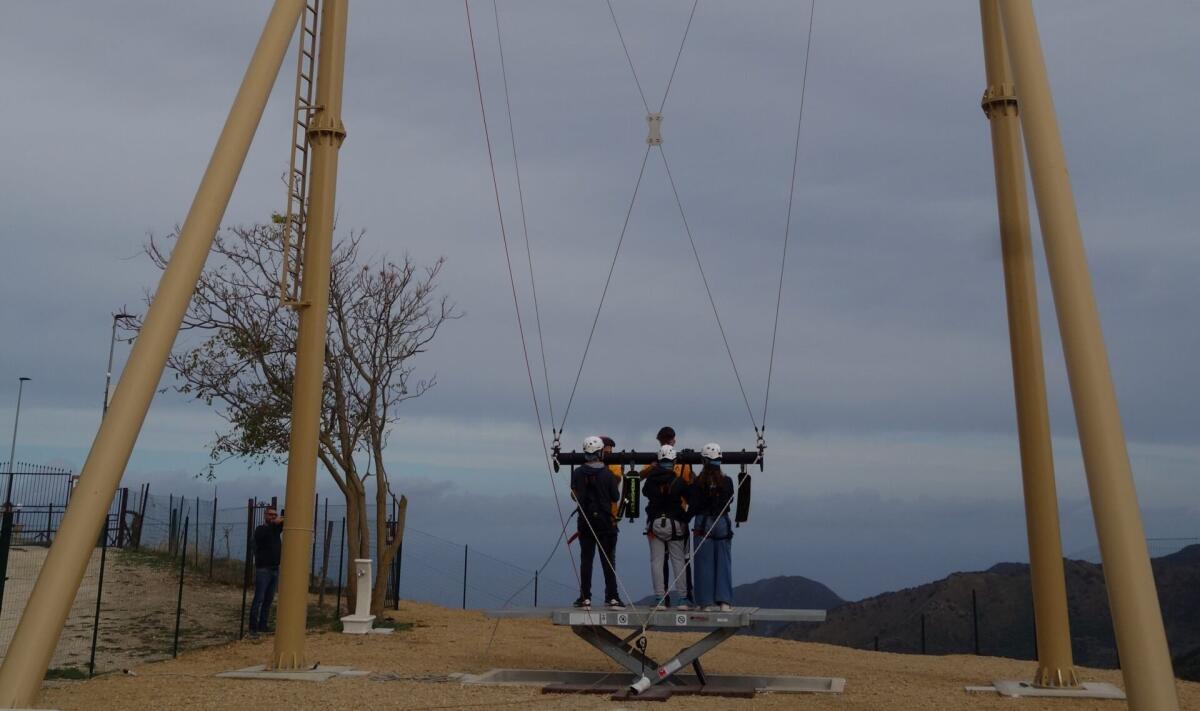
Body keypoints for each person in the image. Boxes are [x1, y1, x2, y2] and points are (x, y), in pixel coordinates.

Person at [641, 426, 694, 602]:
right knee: (678, 561)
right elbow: (692, 497)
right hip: (677, 523)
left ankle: (659, 597)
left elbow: (645, 492)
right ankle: (683, 597)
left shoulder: (650, 481)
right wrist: (686, 517)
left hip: (655, 524)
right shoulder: (678, 481)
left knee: (657, 562)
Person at [572, 435, 623, 609]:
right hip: (606, 523)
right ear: (601, 452)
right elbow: (615, 496)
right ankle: (612, 596)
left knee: (586, 560)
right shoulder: (608, 475)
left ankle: (585, 597)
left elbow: (575, 495)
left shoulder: (578, 473)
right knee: (608, 561)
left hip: (585, 522)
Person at [688, 443, 734, 612]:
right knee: (724, 562)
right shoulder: (727, 482)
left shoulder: (698, 482)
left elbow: (693, 505)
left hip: (703, 523)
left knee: (703, 563)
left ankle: (705, 602)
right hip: (722, 522)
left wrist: (685, 518)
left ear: (704, 461)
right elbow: (729, 500)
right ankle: (724, 602)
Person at [249, 504, 284, 636]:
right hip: (263, 569)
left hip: (275, 569)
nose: (273, 517)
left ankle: (263, 625)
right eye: (271, 514)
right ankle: (252, 628)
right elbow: (261, 537)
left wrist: (282, 516)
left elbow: (286, 518)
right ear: (265, 516)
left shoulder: (276, 530)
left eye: (275, 515)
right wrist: (275, 522)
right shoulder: (261, 529)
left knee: (268, 599)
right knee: (259, 599)